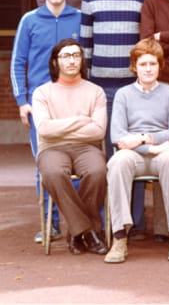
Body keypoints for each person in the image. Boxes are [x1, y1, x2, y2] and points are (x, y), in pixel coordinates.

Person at [12, 0, 81, 242]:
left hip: (75, 100)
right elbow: (18, 63)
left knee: (80, 163)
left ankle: (81, 224)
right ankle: (49, 224)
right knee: (45, 165)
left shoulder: (80, 18)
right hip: (40, 105)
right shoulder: (29, 20)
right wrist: (22, 101)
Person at [104, 38, 169, 264]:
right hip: (135, 155)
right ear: (134, 67)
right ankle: (119, 235)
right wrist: (150, 145)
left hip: (162, 153)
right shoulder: (123, 94)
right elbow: (118, 136)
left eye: (153, 64)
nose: (148, 69)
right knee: (117, 162)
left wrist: (142, 138)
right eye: (143, 64)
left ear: (160, 66)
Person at [33, 38, 107, 255]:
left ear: (82, 60)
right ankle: (88, 231)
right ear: (55, 61)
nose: (72, 60)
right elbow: (44, 130)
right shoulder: (42, 93)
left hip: (87, 147)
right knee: (53, 173)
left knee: (97, 171)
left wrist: (60, 128)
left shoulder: (95, 91)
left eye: (76, 55)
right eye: (66, 56)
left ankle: (76, 233)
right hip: (52, 149)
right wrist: (80, 120)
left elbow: (98, 131)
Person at [81, 0, 147, 156]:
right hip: (101, 84)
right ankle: (112, 179)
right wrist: (86, 80)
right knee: (109, 141)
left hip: (132, 83)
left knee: (132, 142)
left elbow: (143, 44)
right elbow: (86, 43)